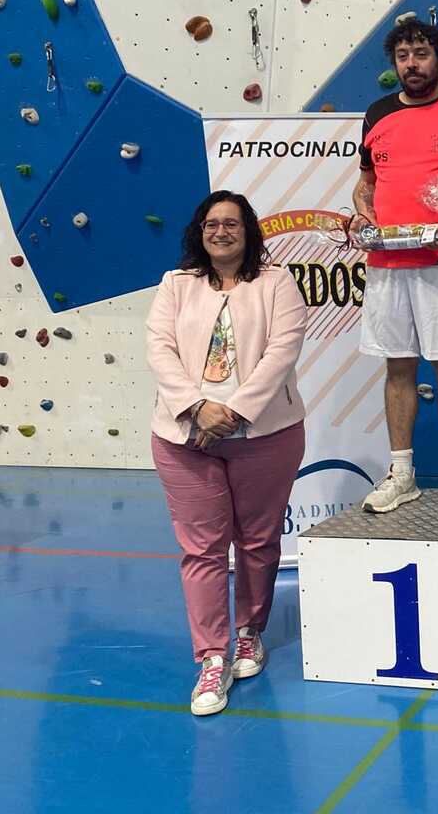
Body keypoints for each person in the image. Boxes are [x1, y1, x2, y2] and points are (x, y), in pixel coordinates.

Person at [146, 191, 308, 717]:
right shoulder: (175, 285)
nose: (221, 231)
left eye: (232, 223)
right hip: (185, 440)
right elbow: (160, 351)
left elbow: (283, 351)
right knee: (203, 550)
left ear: (248, 230)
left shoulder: (277, 282)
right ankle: (212, 657)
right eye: (212, 223)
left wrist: (233, 412)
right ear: (200, 231)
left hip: (266, 435)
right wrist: (197, 408)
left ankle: (249, 633)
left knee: (258, 542)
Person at [351, 18, 438, 516]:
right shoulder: (377, 114)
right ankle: (402, 473)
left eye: (421, 54)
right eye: (403, 56)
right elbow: (366, 184)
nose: (412, 64)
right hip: (386, 259)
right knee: (397, 365)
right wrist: (363, 213)